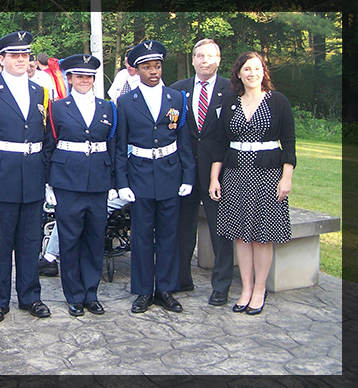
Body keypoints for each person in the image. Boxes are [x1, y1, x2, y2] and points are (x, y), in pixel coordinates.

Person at [0, 30, 54, 323]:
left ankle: (31, 296)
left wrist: (47, 177)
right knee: (1, 244)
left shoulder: (40, 91)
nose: (20, 60)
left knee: (30, 242)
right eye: (13, 55)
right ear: (1, 59)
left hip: (31, 177)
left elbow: (46, 138)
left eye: (24, 55)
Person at [209, 51, 295, 316]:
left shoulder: (278, 101)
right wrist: (214, 178)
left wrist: (286, 177)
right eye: (247, 69)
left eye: (257, 68)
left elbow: (289, 143)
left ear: (263, 72)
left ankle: (259, 290)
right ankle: (245, 289)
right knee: (241, 237)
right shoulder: (231, 103)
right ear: (238, 73)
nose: (252, 73)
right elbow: (221, 143)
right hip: (235, 176)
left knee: (261, 237)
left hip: (267, 176)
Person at [115, 40, 196, 314]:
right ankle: (142, 291)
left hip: (170, 172)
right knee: (140, 236)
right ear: (136, 70)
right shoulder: (125, 102)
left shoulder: (177, 98)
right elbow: (119, 145)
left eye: (157, 66)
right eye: (147, 67)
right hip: (139, 174)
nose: (154, 71)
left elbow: (184, 141)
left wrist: (187, 177)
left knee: (168, 235)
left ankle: (165, 289)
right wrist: (122, 182)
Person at [45, 54, 117, 316]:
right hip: (67, 180)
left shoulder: (107, 108)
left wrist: (115, 181)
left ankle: (91, 292)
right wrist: (48, 182)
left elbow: (112, 145)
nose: (84, 80)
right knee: (70, 238)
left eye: (89, 76)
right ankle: (74, 294)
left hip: (98, 180)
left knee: (95, 238)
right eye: (79, 76)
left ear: (94, 80)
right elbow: (49, 145)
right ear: (70, 79)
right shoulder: (56, 108)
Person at [169, 39, 235, 305]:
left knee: (221, 229)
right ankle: (181, 278)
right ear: (193, 59)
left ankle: (221, 285)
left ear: (218, 59)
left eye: (210, 55)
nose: (204, 60)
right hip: (184, 172)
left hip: (218, 172)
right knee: (182, 227)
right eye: (199, 55)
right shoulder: (177, 90)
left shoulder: (231, 91)